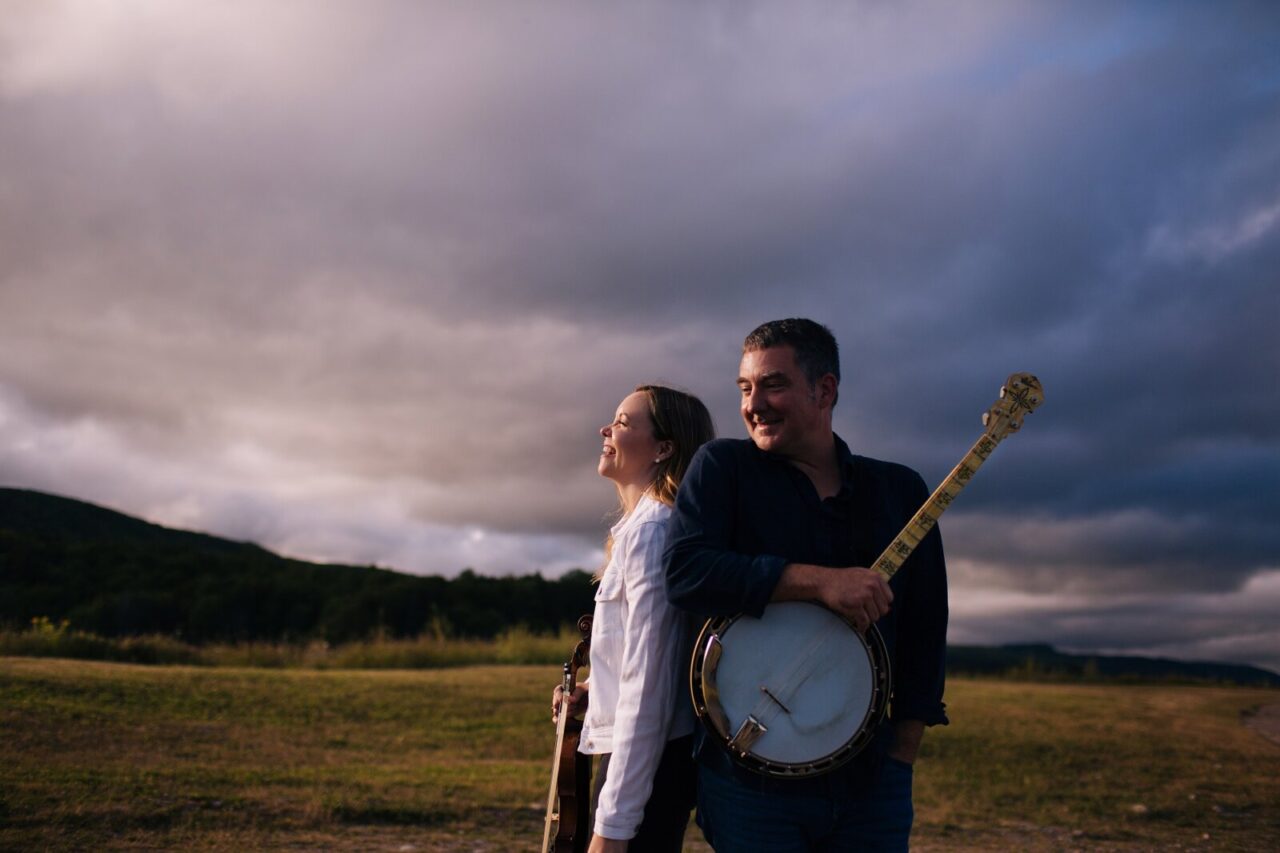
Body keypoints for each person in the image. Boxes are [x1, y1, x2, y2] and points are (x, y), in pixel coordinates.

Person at [665, 319, 948, 852]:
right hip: (750, 782)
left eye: (773, 384)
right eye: (745, 389)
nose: (754, 404)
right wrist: (817, 583)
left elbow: (926, 624)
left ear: (825, 390)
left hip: (871, 784)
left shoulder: (897, 489)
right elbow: (686, 574)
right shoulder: (724, 468)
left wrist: (901, 753)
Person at [553, 384, 715, 852]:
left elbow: (649, 688)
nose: (605, 429)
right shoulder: (647, 528)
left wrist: (614, 828)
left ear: (664, 448)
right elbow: (645, 658)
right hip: (651, 758)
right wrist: (593, 690)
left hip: (649, 763)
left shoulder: (653, 532)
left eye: (623, 422)